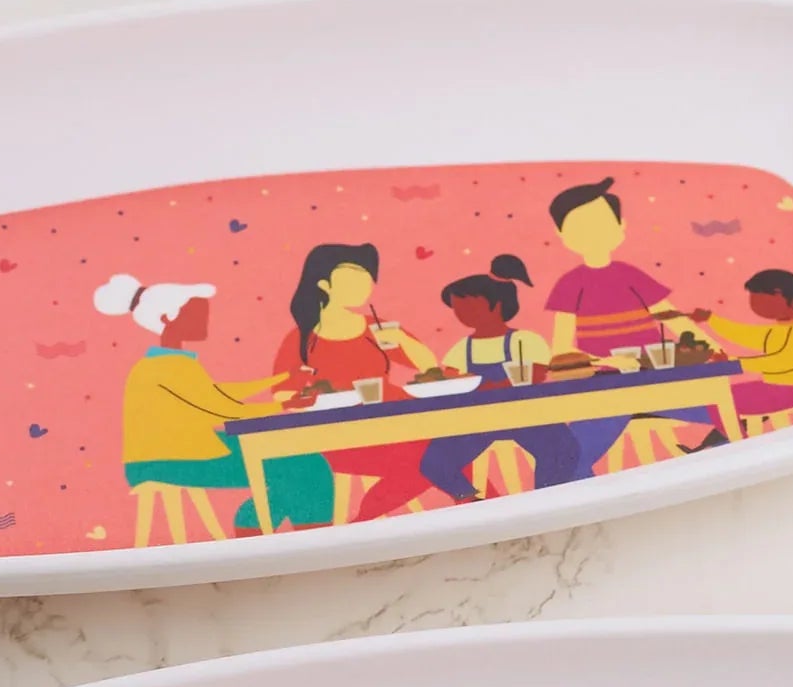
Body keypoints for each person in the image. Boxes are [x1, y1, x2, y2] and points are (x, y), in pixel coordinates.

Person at [93, 273, 315, 533]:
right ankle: (253, 526)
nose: (205, 319)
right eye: (197, 313)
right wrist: (284, 406)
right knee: (301, 462)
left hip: (182, 452)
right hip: (169, 461)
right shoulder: (163, 367)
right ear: (167, 318)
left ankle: (255, 525)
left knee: (297, 460)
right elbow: (224, 410)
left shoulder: (171, 362)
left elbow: (216, 394)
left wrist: (283, 379)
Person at [272, 243, 440, 521]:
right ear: (324, 284)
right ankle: (365, 520)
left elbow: (429, 366)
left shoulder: (376, 327)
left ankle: (364, 520)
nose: (364, 287)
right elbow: (281, 393)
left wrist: (402, 340)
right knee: (438, 458)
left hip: (394, 422)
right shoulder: (302, 339)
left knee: (448, 450)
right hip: (340, 435)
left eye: (367, 279)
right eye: (352, 279)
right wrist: (307, 395)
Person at [540, 177, 689, 474]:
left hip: (658, 382)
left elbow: (673, 318)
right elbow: (561, 353)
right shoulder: (570, 284)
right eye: (581, 228)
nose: (593, 233)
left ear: (621, 226)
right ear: (562, 234)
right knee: (571, 458)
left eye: (602, 223)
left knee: (727, 413)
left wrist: (708, 345)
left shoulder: (630, 275)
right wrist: (606, 362)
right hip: (607, 390)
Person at [419, 255, 583, 500]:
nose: (460, 314)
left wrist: (488, 385)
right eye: (456, 309)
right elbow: (452, 380)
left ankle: (546, 501)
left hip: (526, 415)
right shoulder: (462, 349)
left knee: (563, 450)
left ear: (496, 305)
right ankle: (473, 502)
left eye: (467, 307)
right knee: (435, 462)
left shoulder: (524, 340)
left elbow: (537, 374)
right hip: (478, 421)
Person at [690, 269, 793, 436]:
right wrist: (711, 319)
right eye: (754, 302)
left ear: (787, 299)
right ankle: (736, 437)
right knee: (717, 396)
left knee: (719, 400)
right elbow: (741, 333)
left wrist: (734, 363)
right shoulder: (774, 331)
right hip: (780, 386)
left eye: (763, 302)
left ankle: (739, 440)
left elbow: (783, 361)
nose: (757, 308)